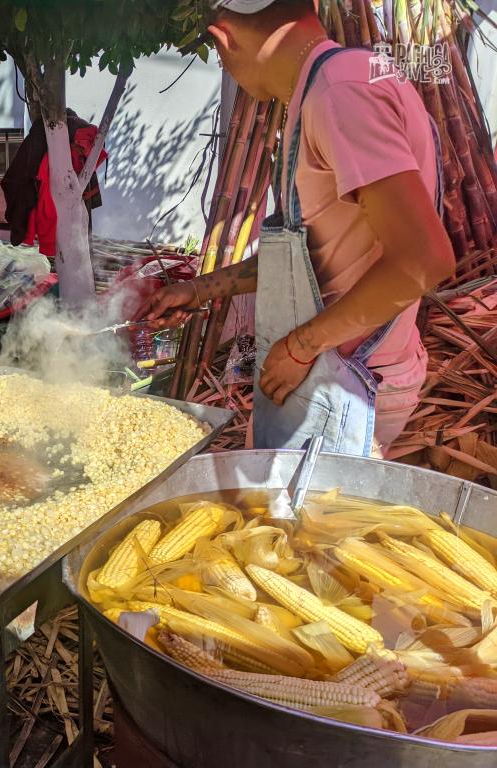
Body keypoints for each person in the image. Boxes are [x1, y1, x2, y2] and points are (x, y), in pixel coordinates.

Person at [140, 0, 454, 456]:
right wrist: (200, 290)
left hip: (345, 379)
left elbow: (423, 260)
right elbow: (309, 260)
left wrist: (300, 347)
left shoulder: (340, 93)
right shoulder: (354, 75)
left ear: (224, 35)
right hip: (332, 370)